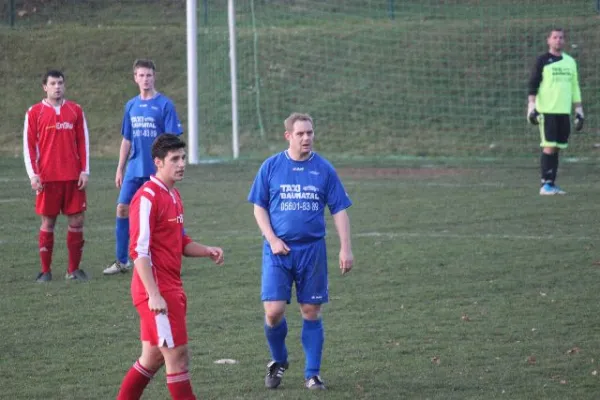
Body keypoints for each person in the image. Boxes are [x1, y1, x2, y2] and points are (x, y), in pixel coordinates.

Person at [247, 112, 354, 390]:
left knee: (310, 310)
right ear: (288, 136)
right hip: (277, 251)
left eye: (310, 132)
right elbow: (259, 206)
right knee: (273, 311)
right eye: (300, 133)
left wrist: (345, 248)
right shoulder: (271, 167)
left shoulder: (324, 169)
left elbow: (339, 209)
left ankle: (312, 374)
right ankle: (279, 360)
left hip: (312, 251)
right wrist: (271, 239)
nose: (307, 138)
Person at [116, 134, 224, 400]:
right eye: (174, 159)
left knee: (152, 358)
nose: (181, 164)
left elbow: (181, 241)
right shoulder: (147, 198)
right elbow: (139, 252)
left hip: (170, 287)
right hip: (157, 291)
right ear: (158, 162)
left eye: (183, 158)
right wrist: (154, 294)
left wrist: (206, 251)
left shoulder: (173, 195)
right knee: (178, 359)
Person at [104, 59, 183, 275]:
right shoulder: (131, 105)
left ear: (154, 77)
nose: (145, 79)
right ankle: (122, 261)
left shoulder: (165, 105)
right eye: (141, 75)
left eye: (149, 75)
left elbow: (172, 141)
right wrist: (120, 168)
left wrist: (170, 167)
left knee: (161, 216)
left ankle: (168, 260)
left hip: (156, 171)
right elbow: (127, 140)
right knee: (122, 208)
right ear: (135, 78)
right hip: (134, 168)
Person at [23, 70, 90, 283]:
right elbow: (29, 147)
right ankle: (45, 271)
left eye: (60, 83)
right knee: (48, 223)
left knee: (77, 221)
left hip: (72, 177)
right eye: (52, 83)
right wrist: (33, 175)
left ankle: (73, 270)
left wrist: (84, 170)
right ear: (45, 87)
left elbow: (83, 142)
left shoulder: (75, 110)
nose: (57, 87)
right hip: (48, 179)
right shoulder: (35, 112)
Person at [527, 28, 584, 195]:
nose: (558, 40)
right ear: (548, 40)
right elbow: (533, 83)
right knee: (549, 146)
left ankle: (551, 183)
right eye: (555, 37)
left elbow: (575, 87)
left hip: (563, 111)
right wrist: (531, 107)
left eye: (561, 37)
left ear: (564, 41)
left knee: (558, 147)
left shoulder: (570, 62)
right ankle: (545, 184)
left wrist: (579, 110)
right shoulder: (542, 61)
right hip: (547, 111)